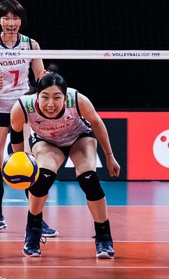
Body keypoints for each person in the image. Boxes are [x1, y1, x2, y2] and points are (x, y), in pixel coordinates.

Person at [9, 73, 121, 258]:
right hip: (46, 142)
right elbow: (16, 132)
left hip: (79, 138)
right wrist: (19, 160)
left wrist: (109, 156)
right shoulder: (22, 106)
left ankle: (103, 237)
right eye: (45, 97)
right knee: (42, 180)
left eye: (57, 97)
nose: (50, 103)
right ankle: (33, 231)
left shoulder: (77, 100)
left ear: (65, 96)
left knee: (89, 180)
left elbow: (96, 122)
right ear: (37, 95)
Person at [0, 0, 55, 237]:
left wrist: (45, 77)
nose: (12, 23)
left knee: (29, 164)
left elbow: (39, 75)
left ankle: (37, 220)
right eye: (7, 18)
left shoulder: (31, 44)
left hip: (24, 109)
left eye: (16, 18)